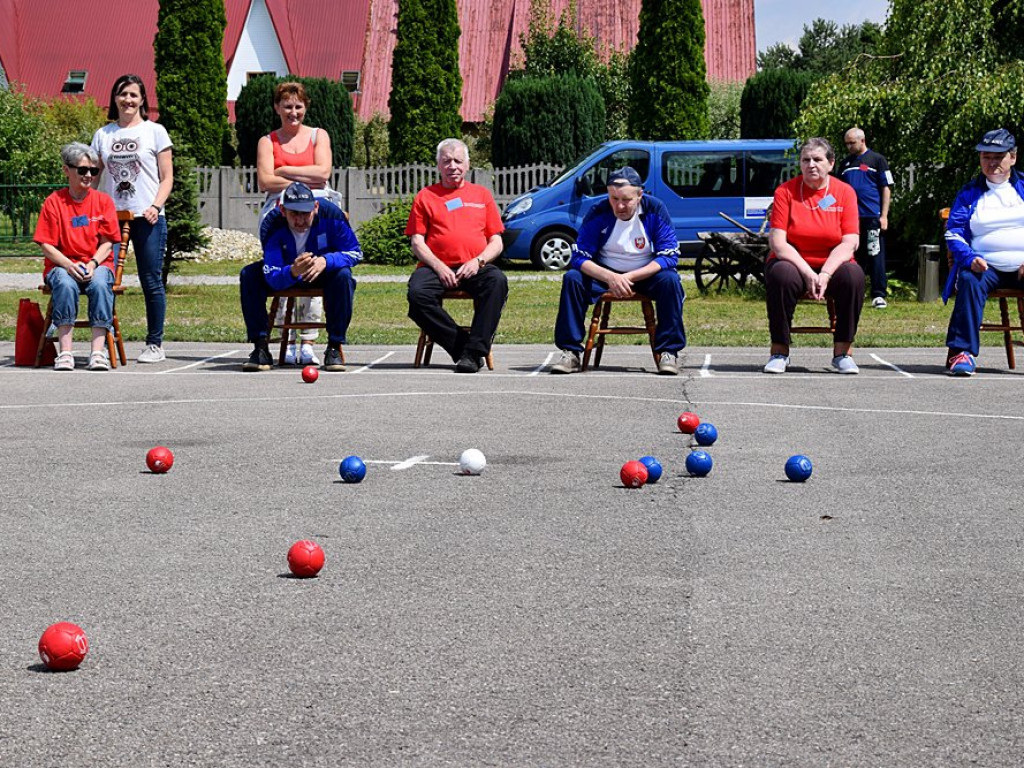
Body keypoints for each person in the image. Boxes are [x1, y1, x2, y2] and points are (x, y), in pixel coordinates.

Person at [550, 166, 685, 375]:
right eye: (614, 199)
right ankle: (570, 352)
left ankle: (669, 351)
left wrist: (628, 277)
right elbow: (578, 257)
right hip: (605, 273)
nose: (619, 206)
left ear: (639, 195)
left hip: (644, 273)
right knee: (572, 279)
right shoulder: (599, 211)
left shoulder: (655, 209)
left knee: (670, 281)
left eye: (626, 200)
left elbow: (669, 255)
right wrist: (611, 277)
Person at [405, 138, 507, 373]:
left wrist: (478, 261)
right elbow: (417, 242)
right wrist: (439, 267)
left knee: (497, 282)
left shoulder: (481, 195)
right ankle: (464, 348)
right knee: (417, 296)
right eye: (447, 161)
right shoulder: (425, 196)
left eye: (458, 161)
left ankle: (474, 352)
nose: (453, 166)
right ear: (438, 165)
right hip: (434, 267)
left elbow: (497, 242)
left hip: (474, 266)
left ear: (468, 164)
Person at [91, 74, 173, 363]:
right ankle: (101, 344)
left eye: (133, 95)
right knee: (104, 278)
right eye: (123, 94)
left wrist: (155, 205)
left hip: (147, 217)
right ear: (114, 98)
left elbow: (167, 178)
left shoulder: (155, 131)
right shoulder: (103, 135)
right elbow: (94, 174)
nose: (128, 100)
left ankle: (155, 344)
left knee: (150, 279)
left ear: (142, 100)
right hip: (111, 218)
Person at [763, 137, 864, 374]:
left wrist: (825, 273)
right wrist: (809, 273)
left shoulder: (845, 192)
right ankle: (779, 351)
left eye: (817, 159)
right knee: (781, 275)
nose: (811, 165)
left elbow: (850, 242)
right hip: (793, 262)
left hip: (833, 264)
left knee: (854, 276)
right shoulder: (785, 192)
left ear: (830, 163)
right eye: (805, 160)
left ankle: (842, 353)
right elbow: (778, 243)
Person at [240, 183, 360, 372]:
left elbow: (355, 253)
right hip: (286, 273)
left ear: (316, 207)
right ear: (282, 210)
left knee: (344, 276)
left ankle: (334, 347)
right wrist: (292, 271)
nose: (300, 220)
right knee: (249, 275)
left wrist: (326, 261)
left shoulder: (332, 215)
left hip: (322, 272)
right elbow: (272, 275)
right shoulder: (271, 225)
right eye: (294, 214)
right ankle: (260, 347)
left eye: (305, 213)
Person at [256, 81, 335, 366]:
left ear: (305, 107)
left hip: (315, 210)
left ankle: (308, 342)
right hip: (278, 212)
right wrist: (304, 179)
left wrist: (285, 170)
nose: (293, 112)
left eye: (298, 106)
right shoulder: (268, 141)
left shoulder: (318, 136)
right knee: (285, 271)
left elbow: (323, 172)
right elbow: (265, 181)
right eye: (287, 106)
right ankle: (285, 341)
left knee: (313, 268)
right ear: (277, 108)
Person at [33, 143, 122, 371]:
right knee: (64, 282)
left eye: (93, 170)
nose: (89, 175)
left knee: (101, 283)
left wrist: (92, 263)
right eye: (82, 170)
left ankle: (97, 352)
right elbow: (46, 244)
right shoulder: (54, 202)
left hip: (97, 263)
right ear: (67, 170)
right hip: (63, 264)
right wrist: (69, 264)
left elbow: (108, 242)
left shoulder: (103, 202)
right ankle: (65, 353)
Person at [942, 128, 1024, 376]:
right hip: (985, 266)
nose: (992, 163)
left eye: (998, 157)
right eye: (986, 157)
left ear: (1012, 158)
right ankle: (962, 353)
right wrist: (969, 258)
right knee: (968, 279)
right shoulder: (969, 193)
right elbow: (953, 232)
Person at [838, 127, 893, 308]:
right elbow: (836, 190)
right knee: (852, 256)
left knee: (875, 253)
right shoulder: (845, 164)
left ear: (862, 141)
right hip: (850, 219)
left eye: (852, 143)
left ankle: (878, 295)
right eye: (846, 143)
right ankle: (854, 292)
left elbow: (886, 188)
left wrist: (884, 215)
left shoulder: (877, 160)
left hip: (871, 216)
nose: (849, 147)